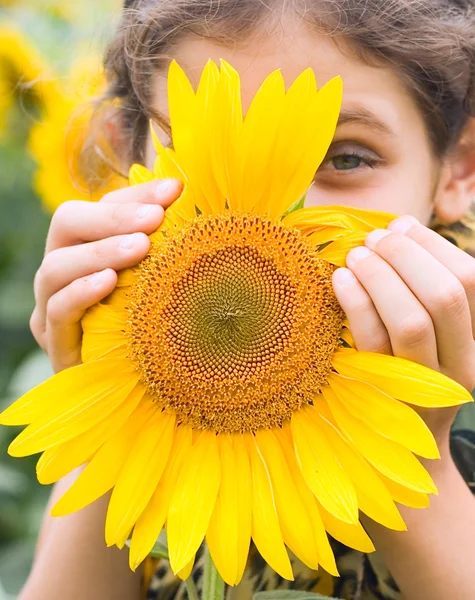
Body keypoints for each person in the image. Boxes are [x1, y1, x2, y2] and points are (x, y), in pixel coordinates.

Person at [17, 0, 475, 599]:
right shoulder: (133, 351)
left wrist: (417, 460)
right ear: (133, 159)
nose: (271, 211)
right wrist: (106, 405)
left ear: (459, 170)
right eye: (205, 153)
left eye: (346, 158)